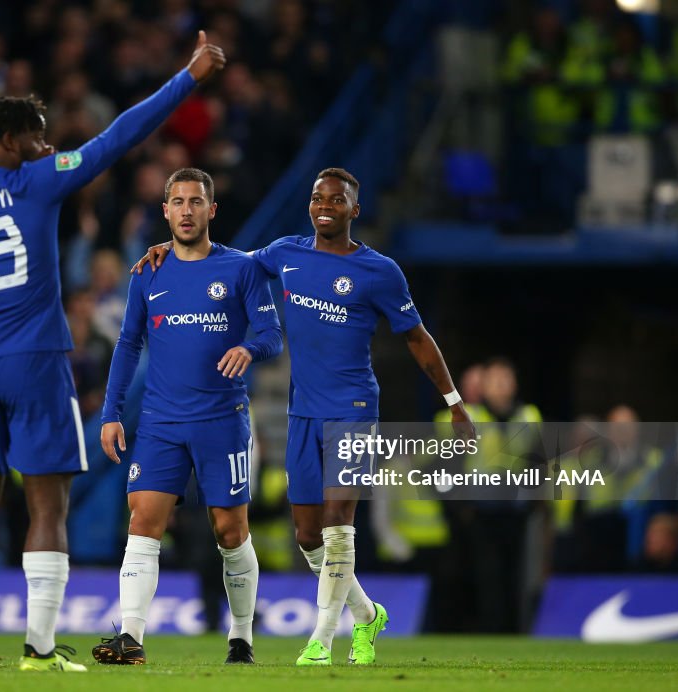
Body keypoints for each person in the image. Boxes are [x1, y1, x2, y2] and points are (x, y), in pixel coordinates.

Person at [0, 32, 226, 674]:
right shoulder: (34, 180)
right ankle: (38, 650)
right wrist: (188, 78)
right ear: (10, 143)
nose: (49, 147)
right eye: (39, 137)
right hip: (36, 359)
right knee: (47, 505)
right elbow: (117, 138)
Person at [136, 167, 474, 665]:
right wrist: (171, 254)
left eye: (337, 200)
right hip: (303, 413)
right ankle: (367, 614)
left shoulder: (379, 271)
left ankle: (321, 639)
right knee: (309, 536)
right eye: (318, 197)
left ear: (354, 211)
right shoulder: (286, 254)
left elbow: (417, 339)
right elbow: (227, 266)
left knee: (340, 523)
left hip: (354, 408)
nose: (325, 205)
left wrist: (454, 402)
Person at [92, 168, 281, 665]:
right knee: (143, 520)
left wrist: (248, 347)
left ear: (211, 210)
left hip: (222, 419)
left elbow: (271, 334)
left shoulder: (241, 269)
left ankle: (241, 636)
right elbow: (128, 343)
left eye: (196, 201)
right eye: (177, 201)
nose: (186, 210)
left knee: (229, 531)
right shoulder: (148, 271)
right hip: (160, 421)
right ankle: (130, 637)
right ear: (166, 211)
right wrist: (112, 413)